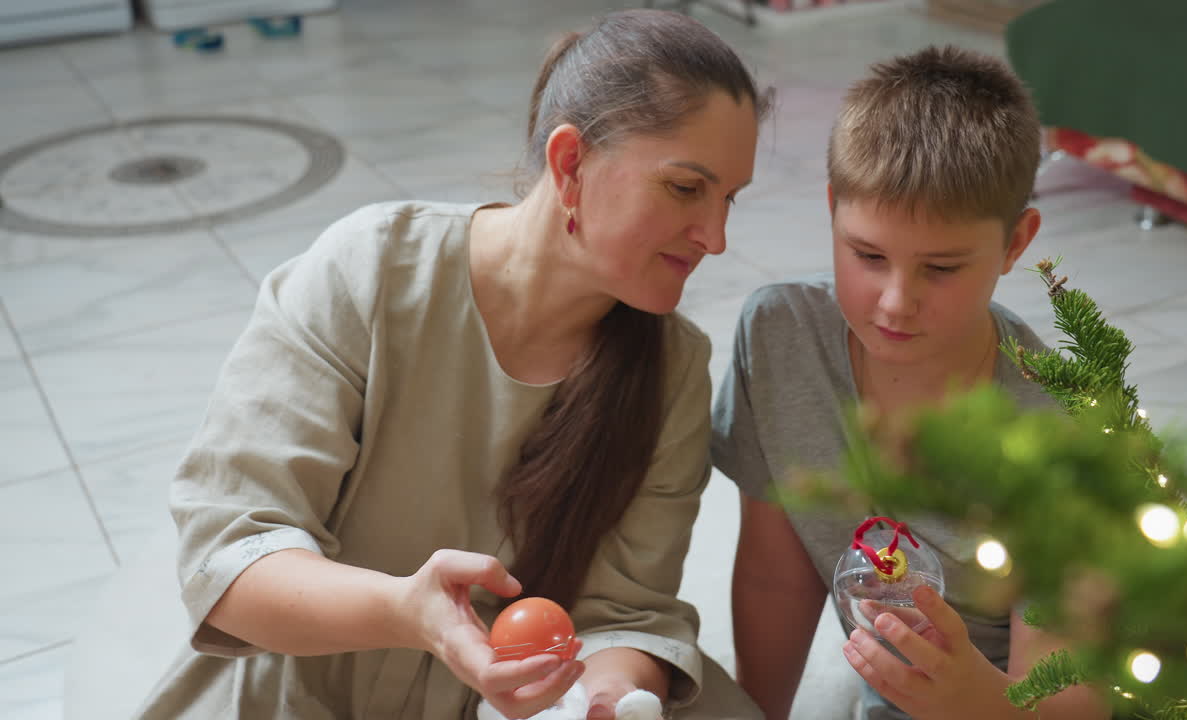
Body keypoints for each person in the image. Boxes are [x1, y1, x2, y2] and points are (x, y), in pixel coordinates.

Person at [134, 9, 770, 720]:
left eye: (730, 200)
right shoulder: (368, 273)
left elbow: (631, 612)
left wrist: (609, 693)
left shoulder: (674, 369)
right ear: (570, 165)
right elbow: (232, 559)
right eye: (686, 188)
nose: (715, 237)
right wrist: (406, 612)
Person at [711, 46, 1111, 720]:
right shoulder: (779, 335)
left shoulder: (1061, 425)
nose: (896, 302)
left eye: (942, 268)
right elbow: (775, 580)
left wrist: (971, 699)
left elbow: (1074, 700)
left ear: (1017, 243)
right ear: (833, 208)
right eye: (868, 255)